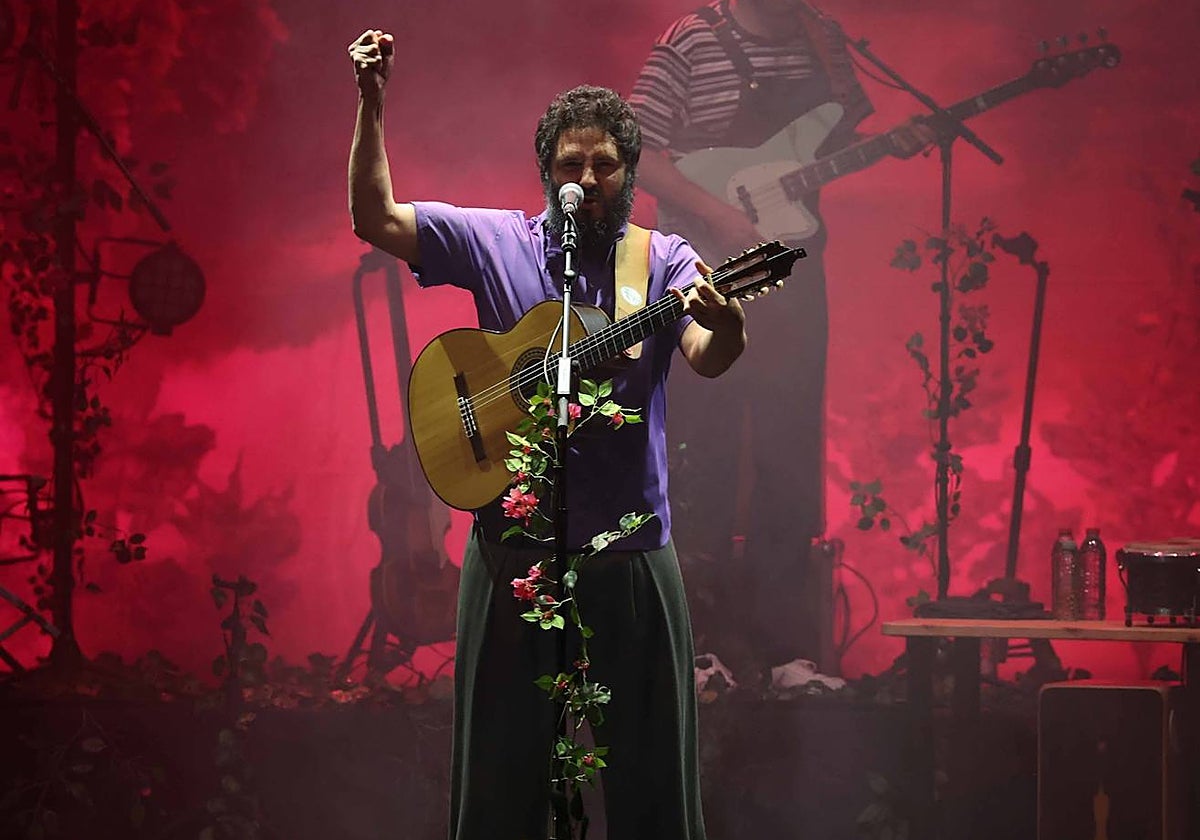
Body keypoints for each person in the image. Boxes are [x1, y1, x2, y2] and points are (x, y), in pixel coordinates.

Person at [347, 28, 747, 840]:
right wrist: (372, 105)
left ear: (629, 176)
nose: (588, 181)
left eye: (604, 166)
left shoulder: (661, 259)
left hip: (630, 546)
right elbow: (376, 218)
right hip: (511, 542)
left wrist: (728, 322)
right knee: (497, 775)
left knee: (653, 773)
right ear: (548, 175)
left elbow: (705, 356)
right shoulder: (497, 242)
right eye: (572, 166)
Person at [628, 0, 931, 684]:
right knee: (702, 461)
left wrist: (894, 142)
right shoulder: (691, 42)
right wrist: (720, 216)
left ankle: (786, 655)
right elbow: (632, 148)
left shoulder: (824, 41)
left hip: (793, 272)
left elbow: (818, 151)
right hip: (702, 271)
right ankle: (699, 651)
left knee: (789, 462)